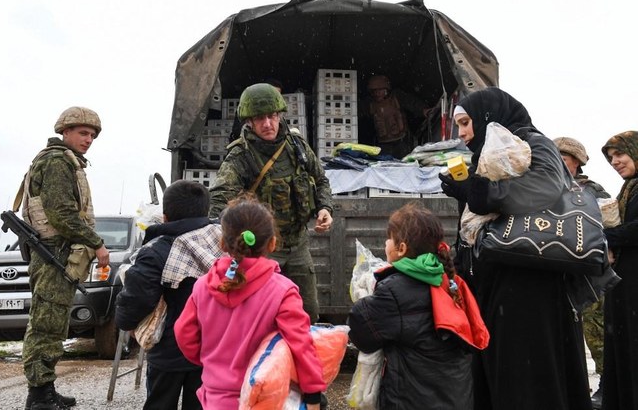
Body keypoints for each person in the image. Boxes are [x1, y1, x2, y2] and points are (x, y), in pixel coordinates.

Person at [439, 87, 593, 410]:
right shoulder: (485, 155)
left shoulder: (534, 143)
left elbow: (546, 188)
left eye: (466, 122)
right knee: (500, 382)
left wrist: (480, 193)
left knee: (527, 385)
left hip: (529, 292)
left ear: (487, 116)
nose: (462, 133)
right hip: (497, 291)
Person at [174, 194, 326, 409]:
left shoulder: (202, 286)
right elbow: (301, 345)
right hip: (264, 399)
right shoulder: (282, 291)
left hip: (213, 399)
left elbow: (184, 335)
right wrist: (313, 395)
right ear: (273, 243)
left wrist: (212, 362)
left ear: (222, 243)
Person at [209, 82, 334, 323]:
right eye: (260, 118)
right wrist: (240, 242)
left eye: (272, 116)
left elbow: (320, 179)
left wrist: (325, 208)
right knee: (260, 317)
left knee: (307, 313)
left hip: (297, 245)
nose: (268, 124)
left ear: (279, 115)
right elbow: (219, 202)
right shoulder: (240, 156)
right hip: (262, 249)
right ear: (249, 122)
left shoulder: (297, 146)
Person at [348, 202, 489, 409]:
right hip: (456, 399)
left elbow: (361, 333)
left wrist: (365, 293)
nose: (386, 242)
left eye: (389, 238)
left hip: (412, 401)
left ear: (401, 248)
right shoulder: (450, 282)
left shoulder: (394, 291)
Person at [20, 107, 109, 410]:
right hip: (53, 251)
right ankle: (39, 395)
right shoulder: (58, 162)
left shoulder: (65, 161)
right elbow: (61, 214)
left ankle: (45, 389)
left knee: (53, 322)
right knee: (46, 323)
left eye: (92, 135)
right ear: (66, 132)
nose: (89, 139)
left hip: (56, 251)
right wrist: (96, 243)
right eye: (83, 133)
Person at [115, 180, 223, 410]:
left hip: (168, 350)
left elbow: (138, 296)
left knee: (161, 402)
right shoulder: (222, 242)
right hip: (212, 348)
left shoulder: (157, 251)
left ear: (165, 217)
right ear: (206, 211)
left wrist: (127, 323)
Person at [554, 136, 611, 409]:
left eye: (563, 159)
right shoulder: (549, 188)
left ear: (577, 163)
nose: (559, 164)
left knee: (595, 331)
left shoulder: (591, 192)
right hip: (559, 273)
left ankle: (606, 383)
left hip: (587, 273)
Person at [600, 130, 638, 410]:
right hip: (625, 279)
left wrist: (607, 237)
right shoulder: (628, 189)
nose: (615, 162)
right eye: (611, 158)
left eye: (620, 154)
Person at [358, 74, 429, 158]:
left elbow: (412, 103)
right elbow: (355, 112)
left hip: (403, 141)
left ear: (387, 89)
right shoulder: (369, 104)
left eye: (380, 90)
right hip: (384, 144)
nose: (377, 94)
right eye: (374, 91)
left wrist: (424, 110)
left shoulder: (396, 97)